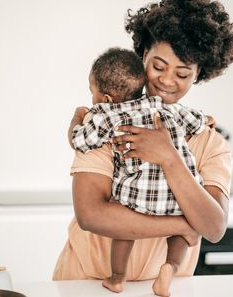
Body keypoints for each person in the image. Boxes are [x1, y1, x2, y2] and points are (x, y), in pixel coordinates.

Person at [54, 0, 233, 297]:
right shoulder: (111, 121)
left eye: (182, 74)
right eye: (158, 65)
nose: (167, 81)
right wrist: (182, 225)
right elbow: (90, 214)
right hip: (86, 283)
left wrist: (169, 157)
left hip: (166, 290)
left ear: (198, 75)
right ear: (142, 56)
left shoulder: (210, 141)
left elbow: (214, 227)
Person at [71, 47, 207, 294]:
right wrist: (206, 121)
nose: (92, 99)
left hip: (136, 194)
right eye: (158, 67)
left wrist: (76, 119)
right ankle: (171, 268)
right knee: (181, 234)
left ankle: (116, 278)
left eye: (93, 93)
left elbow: (80, 141)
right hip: (176, 195)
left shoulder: (105, 115)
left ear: (107, 98)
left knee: (123, 233)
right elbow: (196, 120)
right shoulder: (160, 105)